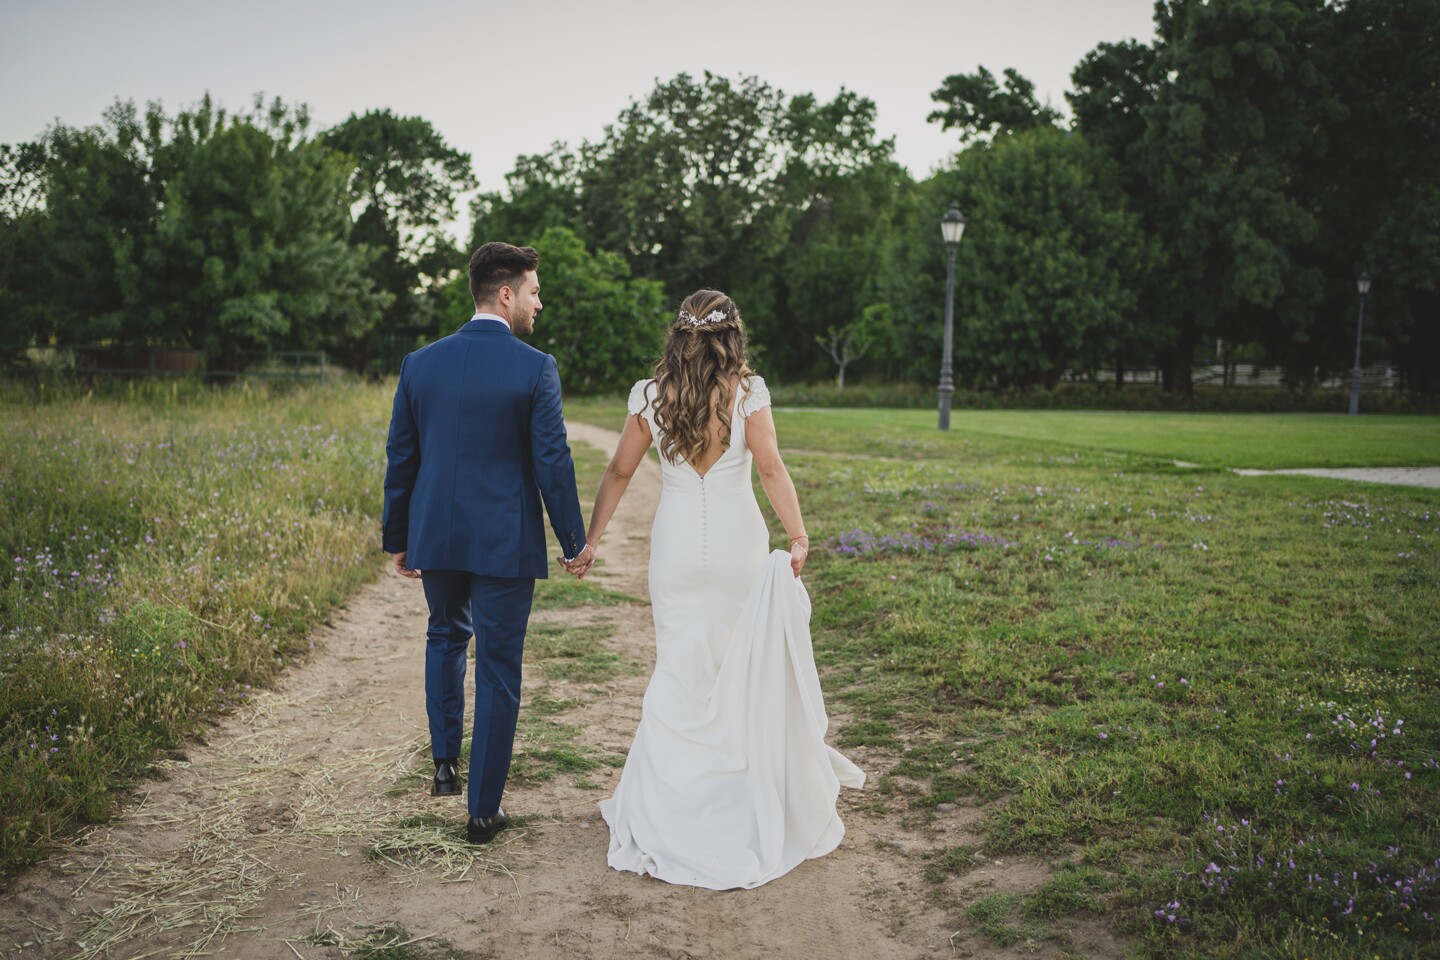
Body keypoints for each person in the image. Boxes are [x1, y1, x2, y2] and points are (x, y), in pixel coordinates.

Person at [569, 289, 865, 889]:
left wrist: (592, 539)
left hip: (676, 549)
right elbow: (771, 468)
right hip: (737, 545)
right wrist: (799, 534)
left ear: (679, 334)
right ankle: (737, 796)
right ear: (732, 334)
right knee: (737, 670)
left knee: (679, 668)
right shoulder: (746, 392)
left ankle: (673, 805)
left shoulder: (653, 396)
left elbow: (619, 470)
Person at [382, 242, 593, 845]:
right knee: (498, 669)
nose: (538, 302)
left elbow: (403, 455)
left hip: (437, 534)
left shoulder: (419, 364)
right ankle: (482, 811)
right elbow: (552, 459)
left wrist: (400, 534)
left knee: (445, 635)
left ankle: (446, 762)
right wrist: (573, 539)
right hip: (504, 539)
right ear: (506, 294)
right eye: (533, 291)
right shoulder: (534, 367)